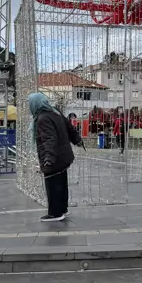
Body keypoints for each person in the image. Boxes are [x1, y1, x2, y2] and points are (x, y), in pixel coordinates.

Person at [28, 92, 83, 222]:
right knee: (61, 183)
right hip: (64, 157)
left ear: (35, 104)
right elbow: (70, 127)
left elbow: (49, 140)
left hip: (55, 158)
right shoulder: (55, 113)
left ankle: (55, 213)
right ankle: (63, 208)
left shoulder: (43, 119)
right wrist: (77, 140)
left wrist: (49, 159)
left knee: (53, 185)